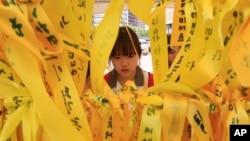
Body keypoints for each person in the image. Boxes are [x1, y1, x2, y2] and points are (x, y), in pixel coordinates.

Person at [104, 26, 154, 92]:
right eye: (117, 57)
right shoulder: (103, 83)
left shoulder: (151, 82)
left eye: (130, 56)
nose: (124, 64)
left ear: (138, 54)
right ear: (110, 57)